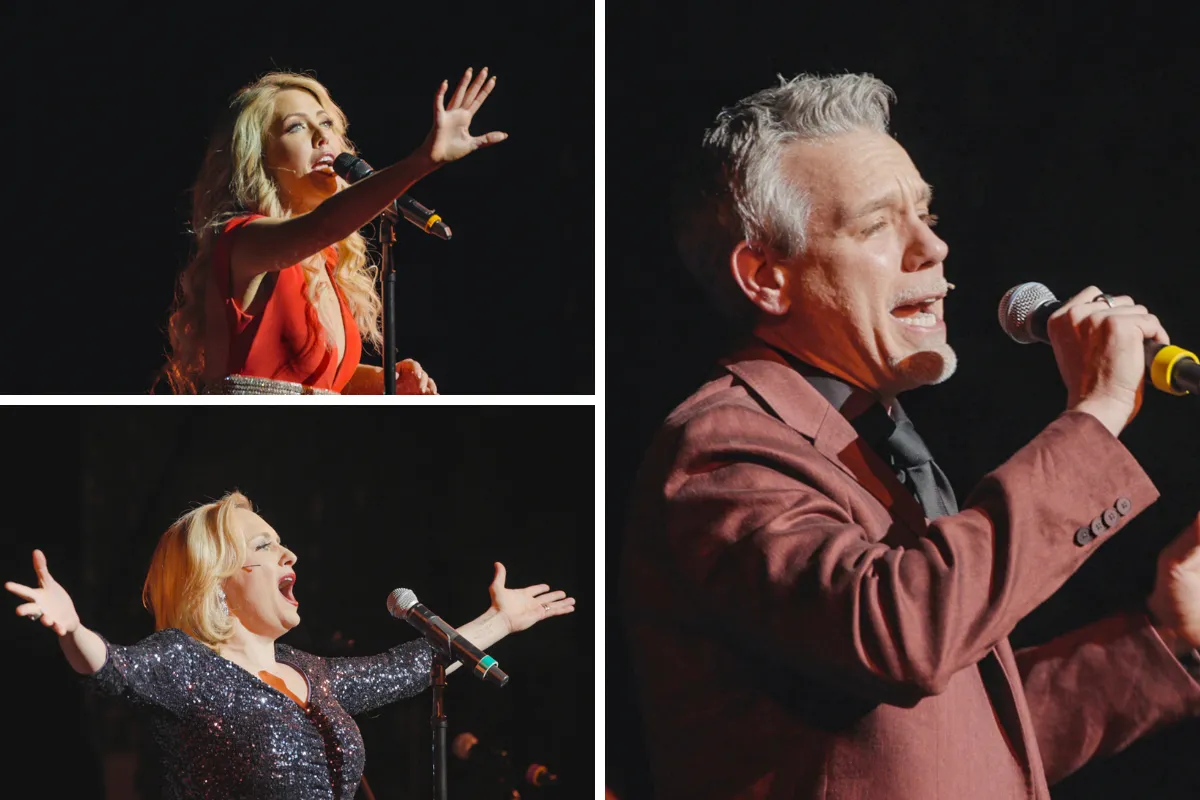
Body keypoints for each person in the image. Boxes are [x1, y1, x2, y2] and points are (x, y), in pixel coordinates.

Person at [620, 72, 1200, 800]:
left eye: (925, 214)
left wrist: (1169, 636)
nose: (934, 246)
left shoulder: (874, 439)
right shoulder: (722, 447)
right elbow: (903, 632)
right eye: (877, 226)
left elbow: (961, 749)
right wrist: (1097, 414)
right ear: (767, 277)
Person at [5, 491, 575, 798]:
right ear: (218, 577)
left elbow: (410, 665)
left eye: (284, 544)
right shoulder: (187, 662)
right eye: (266, 545)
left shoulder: (309, 671)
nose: (290, 555)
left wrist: (498, 621)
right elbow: (113, 667)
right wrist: (72, 628)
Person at [160, 67, 508, 394]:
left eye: (326, 122)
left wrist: (382, 381)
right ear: (259, 158)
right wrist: (422, 161)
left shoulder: (324, 260)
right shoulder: (244, 240)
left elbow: (307, 383)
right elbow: (324, 223)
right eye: (296, 126)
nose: (321, 135)